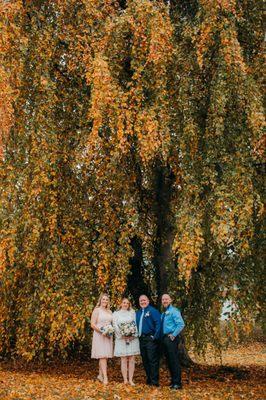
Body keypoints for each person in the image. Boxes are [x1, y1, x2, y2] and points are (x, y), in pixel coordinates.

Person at [113, 298, 140, 385]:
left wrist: (133, 335)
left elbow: (135, 324)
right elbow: (115, 325)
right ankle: (125, 379)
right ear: (120, 304)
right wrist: (122, 335)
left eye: (127, 303)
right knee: (123, 359)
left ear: (129, 305)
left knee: (132, 359)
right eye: (124, 303)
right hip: (121, 339)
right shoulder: (116, 314)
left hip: (132, 339)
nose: (125, 304)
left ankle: (131, 379)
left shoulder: (132, 313)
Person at [161, 293, 185, 390]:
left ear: (170, 300)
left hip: (171, 338)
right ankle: (173, 381)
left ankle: (177, 383)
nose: (165, 301)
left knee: (174, 360)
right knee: (169, 361)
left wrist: (174, 335)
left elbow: (181, 324)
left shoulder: (174, 311)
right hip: (165, 338)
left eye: (166, 299)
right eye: (163, 299)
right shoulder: (164, 313)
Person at [136, 294, 161, 387]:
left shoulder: (153, 311)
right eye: (141, 301)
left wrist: (155, 337)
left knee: (152, 360)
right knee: (145, 360)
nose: (142, 302)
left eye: (144, 300)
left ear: (148, 301)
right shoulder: (138, 313)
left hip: (150, 338)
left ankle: (155, 381)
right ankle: (149, 379)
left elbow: (158, 324)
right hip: (141, 339)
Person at [91, 293, 113, 385]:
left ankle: (100, 375)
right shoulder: (97, 310)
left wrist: (109, 331)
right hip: (99, 335)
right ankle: (105, 377)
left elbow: (111, 324)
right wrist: (102, 331)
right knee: (102, 356)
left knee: (105, 356)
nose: (105, 301)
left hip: (108, 336)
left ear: (108, 302)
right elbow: (92, 324)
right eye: (103, 299)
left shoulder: (110, 312)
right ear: (100, 300)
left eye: (106, 300)